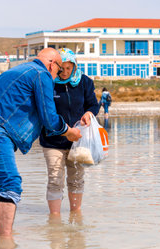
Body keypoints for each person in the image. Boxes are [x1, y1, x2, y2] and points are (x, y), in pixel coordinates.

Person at [0, 48, 82, 237]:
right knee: (10, 183)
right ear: (52, 63)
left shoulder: (16, 71)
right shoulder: (41, 73)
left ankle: (6, 239)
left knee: (6, 182)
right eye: (59, 70)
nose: (57, 76)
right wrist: (69, 132)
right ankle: (6, 247)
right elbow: (50, 118)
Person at [39, 48, 99, 214]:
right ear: (56, 66)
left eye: (68, 68)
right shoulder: (47, 83)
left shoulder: (85, 82)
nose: (64, 72)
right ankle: (55, 218)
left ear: (75, 66)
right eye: (61, 68)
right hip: (52, 141)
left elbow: (93, 105)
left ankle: (76, 214)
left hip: (78, 140)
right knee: (55, 179)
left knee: (77, 179)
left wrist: (88, 113)